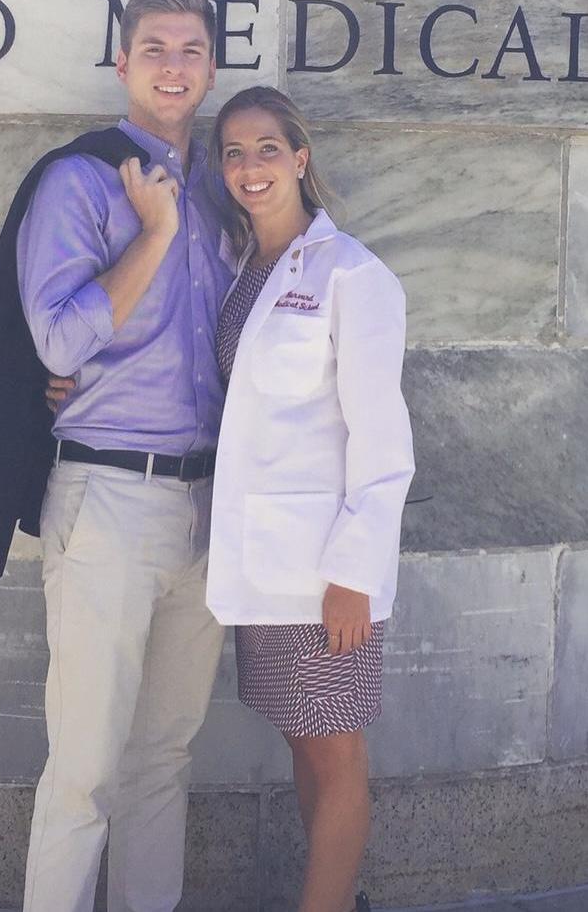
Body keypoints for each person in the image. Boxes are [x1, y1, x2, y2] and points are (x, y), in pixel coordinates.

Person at [15, 0, 235, 912]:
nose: (174, 66)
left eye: (190, 49)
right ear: (123, 63)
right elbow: (58, 342)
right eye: (155, 48)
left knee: (162, 762)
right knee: (85, 772)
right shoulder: (80, 180)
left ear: (212, 66)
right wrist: (154, 233)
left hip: (208, 507)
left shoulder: (232, 190)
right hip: (108, 498)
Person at [189, 85, 413, 912]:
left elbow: (384, 442)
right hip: (263, 568)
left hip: (326, 576)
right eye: (235, 153)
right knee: (304, 742)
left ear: (301, 158)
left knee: (335, 754)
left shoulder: (352, 274)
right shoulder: (243, 270)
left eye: (268, 149)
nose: (251, 168)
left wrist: (355, 571)